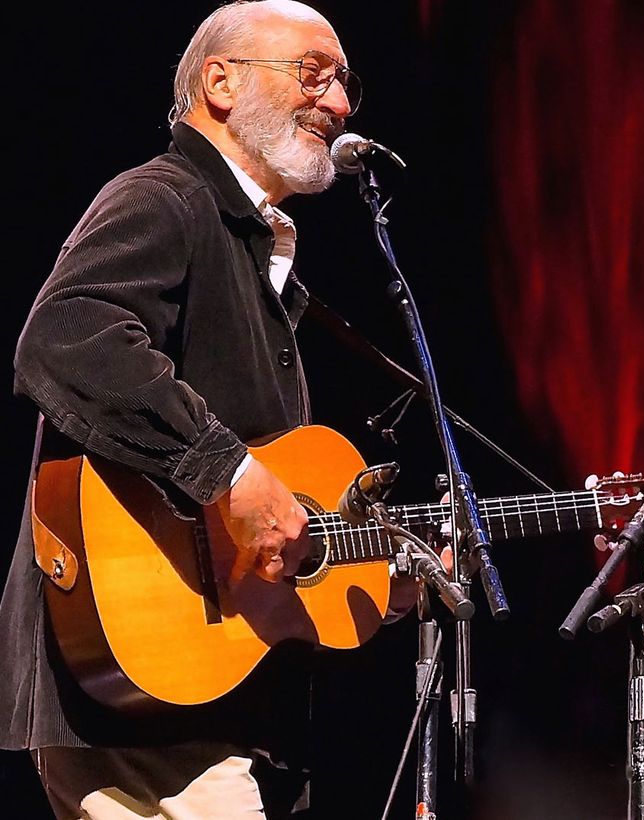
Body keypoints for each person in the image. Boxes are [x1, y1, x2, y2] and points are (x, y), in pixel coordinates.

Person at [0, 2, 399, 817]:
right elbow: (66, 338)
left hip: (205, 698)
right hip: (134, 690)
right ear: (220, 81)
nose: (341, 104)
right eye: (313, 74)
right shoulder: (167, 196)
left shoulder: (260, 250)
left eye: (345, 83)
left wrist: (400, 560)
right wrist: (232, 476)